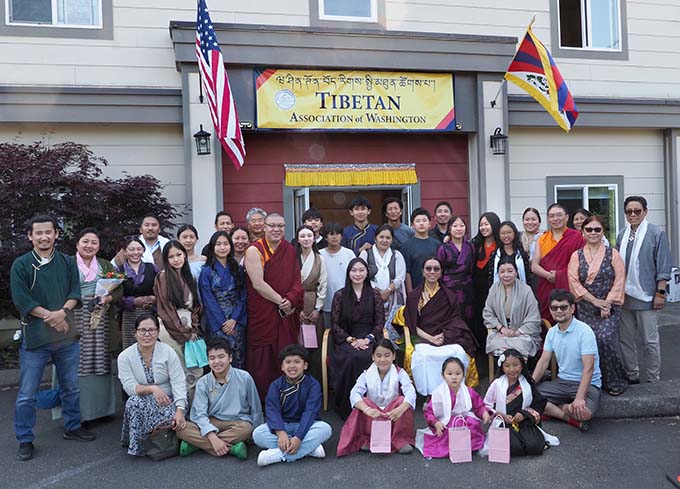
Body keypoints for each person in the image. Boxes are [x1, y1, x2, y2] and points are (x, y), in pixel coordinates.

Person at [11, 215, 94, 461]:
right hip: (36, 338)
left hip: (66, 336)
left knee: (71, 386)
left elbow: (74, 292)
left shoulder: (68, 262)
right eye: (39, 233)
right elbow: (22, 300)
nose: (44, 237)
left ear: (56, 234)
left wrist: (63, 313)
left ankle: (72, 426)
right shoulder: (22, 264)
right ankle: (25, 439)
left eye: (49, 232)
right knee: (27, 392)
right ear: (30, 236)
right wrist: (52, 317)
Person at [245, 212, 304, 399]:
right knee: (263, 360)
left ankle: (289, 398)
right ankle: (263, 400)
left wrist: (291, 300)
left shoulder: (289, 249)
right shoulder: (255, 250)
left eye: (281, 226)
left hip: (286, 313)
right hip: (264, 312)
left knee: (286, 353)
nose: (276, 229)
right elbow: (258, 284)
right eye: (272, 226)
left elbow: (297, 280)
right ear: (264, 227)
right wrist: (282, 302)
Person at [568, 215, 628, 395]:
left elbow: (620, 279)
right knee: (587, 344)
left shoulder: (613, 254)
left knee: (605, 339)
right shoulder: (576, 255)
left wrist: (607, 303)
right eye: (589, 230)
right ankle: (592, 383)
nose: (593, 233)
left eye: (597, 229)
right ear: (583, 232)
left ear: (603, 232)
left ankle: (615, 381)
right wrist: (595, 302)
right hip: (586, 307)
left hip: (609, 307)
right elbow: (573, 281)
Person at [615, 196, 672, 384]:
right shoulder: (621, 235)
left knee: (650, 342)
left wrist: (660, 293)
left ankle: (653, 379)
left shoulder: (656, 233)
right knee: (625, 340)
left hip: (647, 296)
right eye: (629, 211)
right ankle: (632, 375)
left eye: (637, 211)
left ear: (645, 212)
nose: (633, 214)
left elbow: (663, 266)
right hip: (624, 298)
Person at [177, 337, 263, 459]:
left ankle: (197, 445)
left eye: (221, 356)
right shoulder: (203, 382)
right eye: (212, 358)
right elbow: (199, 414)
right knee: (182, 429)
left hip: (236, 422)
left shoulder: (245, 377)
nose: (217, 361)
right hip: (212, 421)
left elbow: (255, 407)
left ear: (230, 358)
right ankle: (232, 448)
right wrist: (212, 436)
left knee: (246, 429)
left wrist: (255, 433)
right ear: (208, 360)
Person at [405, 257, 477, 395]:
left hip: (446, 337)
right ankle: (431, 394)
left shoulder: (449, 295)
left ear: (441, 272)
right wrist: (431, 339)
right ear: (422, 272)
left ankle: (455, 392)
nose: (432, 272)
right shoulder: (414, 296)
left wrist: (444, 335)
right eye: (428, 269)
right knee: (424, 357)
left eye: (436, 269)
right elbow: (412, 324)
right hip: (423, 339)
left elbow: (456, 320)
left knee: (459, 352)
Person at [117, 314, 187, 456]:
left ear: (158, 332)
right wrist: (152, 388)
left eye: (152, 330)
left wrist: (180, 409)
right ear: (135, 333)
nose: (147, 334)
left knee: (175, 418)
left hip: (169, 399)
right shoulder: (125, 357)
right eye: (142, 330)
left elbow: (178, 381)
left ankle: (163, 442)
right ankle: (140, 445)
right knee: (133, 402)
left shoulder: (168, 352)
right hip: (143, 399)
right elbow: (130, 387)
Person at [532, 289, 602, 431]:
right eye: (554, 308)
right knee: (528, 398)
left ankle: (558, 408)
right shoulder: (552, 332)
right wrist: (530, 385)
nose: (559, 311)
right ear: (550, 310)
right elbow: (543, 361)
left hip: (587, 384)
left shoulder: (585, 331)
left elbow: (589, 369)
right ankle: (567, 416)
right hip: (562, 382)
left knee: (584, 414)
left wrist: (580, 398)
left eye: (563, 307)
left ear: (572, 308)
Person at [252, 344, 332, 466]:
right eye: (288, 362)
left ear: (305, 365)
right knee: (257, 434)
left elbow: (310, 412)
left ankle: (279, 455)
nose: (292, 366)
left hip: (305, 426)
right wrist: (280, 432)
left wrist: (299, 437)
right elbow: (272, 410)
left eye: (297, 362)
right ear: (282, 367)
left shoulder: (313, 385)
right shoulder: (276, 385)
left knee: (325, 429)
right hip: (283, 425)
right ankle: (310, 449)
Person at [72, 228, 121, 421]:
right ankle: (78, 414)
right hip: (75, 317)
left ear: (99, 246)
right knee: (76, 364)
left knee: (101, 363)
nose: (89, 246)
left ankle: (103, 410)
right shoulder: (67, 264)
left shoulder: (105, 264)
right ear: (77, 244)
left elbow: (119, 288)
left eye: (94, 242)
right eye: (85, 241)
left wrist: (108, 297)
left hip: (100, 320)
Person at [337, 339, 416, 456]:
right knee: (362, 402)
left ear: (393, 356)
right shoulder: (366, 374)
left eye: (387, 355)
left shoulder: (400, 372)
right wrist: (367, 409)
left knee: (402, 401)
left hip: (393, 413)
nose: (383, 359)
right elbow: (355, 393)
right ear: (373, 357)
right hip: (373, 413)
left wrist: (400, 409)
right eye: (378, 356)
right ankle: (368, 438)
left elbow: (410, 391)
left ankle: (398, 440)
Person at [330, 257, 385, 419]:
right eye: (354, 270)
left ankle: (374, 404)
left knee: (369, 355)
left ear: (367, 272)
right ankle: (349, 406)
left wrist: (368, 339)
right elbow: (335, 325)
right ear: (348, 273)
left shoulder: (375, 294)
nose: (358, 274)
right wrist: (352, 340)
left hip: (369, 338)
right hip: (346, 339)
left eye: (361, 270)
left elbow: (379, 322)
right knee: (353, 357)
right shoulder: (340, 295)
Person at [483, 349, 556, 456]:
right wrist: (500, 415)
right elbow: (486, 405)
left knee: (535, 446)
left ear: (522, 365)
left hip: (524, 422)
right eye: (507, 366)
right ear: (502, 368)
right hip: (504, 423)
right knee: (514, 447)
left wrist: (524, 414)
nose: (512, 369)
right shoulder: (496, 384)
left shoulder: (527, 383)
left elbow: (539, 403)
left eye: (515, 365)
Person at [415, 357, 490, 458]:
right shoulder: (438, 393)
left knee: (473, 424)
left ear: (463, 375)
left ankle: (471, 446)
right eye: (449, 374)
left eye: (458, 374)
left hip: (464, 419)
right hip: (445, 422)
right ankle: (456, 448)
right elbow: (429, 412)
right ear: (443, 375)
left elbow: (478, 405)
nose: (454, 377)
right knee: (451, 430)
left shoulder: (468, 391)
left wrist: (484, 413)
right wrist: (436, 423)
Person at [154, 240, 203, 389]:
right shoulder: (163, 277)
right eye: (171, 257)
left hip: (189, 327)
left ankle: (193, 406)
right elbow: (165, 307)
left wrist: (194, 328)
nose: (176, 259)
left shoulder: (190, 277)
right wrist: (182, 331)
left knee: (195, 369)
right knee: (176, 367)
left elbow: (196, 307)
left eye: (179, 255)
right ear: (166, 260)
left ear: (184, 255)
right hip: (170, 327)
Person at [199, 231, 247, 368]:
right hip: (216, 322)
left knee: (238, 358)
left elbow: (242, 296)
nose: (222, 247)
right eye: (218, 244)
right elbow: (208, 300)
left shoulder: (238, 269)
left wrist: (234, 319)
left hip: (235, 321)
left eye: (226, 244)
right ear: (213, 247)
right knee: (219, 358)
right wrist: (222, 323)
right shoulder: (207, 271)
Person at [532, 203, 585, 322]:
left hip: (569, 287)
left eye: (559, 215)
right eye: (551, 216)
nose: (555, 219)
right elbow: (534, 265)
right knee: (547, 321)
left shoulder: (577, 237)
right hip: (546, 287)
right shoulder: (542, 239)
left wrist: (559, 275)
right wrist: (549, 275)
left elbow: (581, 264)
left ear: (567, 217)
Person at [484, 256, 542, 359]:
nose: (506, 275)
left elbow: (533, 318)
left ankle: (520, 374)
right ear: (498, 273)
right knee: (496, 347)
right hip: (500, 332)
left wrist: (517, 332)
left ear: (516, 272)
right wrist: (501, 328)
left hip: (522, 333)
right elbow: (488, 313)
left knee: (519, 347)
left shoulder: (526, 290)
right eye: (502, 272)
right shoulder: (494, 289)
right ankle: (501, 374)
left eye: (510, 271)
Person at [295, 225, 327, 381]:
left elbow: (323, 284)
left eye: (309, 235)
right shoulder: (293, 257)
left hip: (313, 302)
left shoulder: (320, 258)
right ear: (298, 239)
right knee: (296, 342)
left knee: (314, 345)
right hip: (295, 304)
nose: (306, 239)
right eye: (302, 236)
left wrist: (317, 308)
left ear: (314, 238)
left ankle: (314, 380)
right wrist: (296, 308)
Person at [116, 236, 158, 350]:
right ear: (124, 252)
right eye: (131, 249)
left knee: (150, 346)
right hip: (129, 315)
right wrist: (133, 301)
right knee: (130, 348)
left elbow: (162, 290)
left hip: (150, 313)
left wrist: (154, 299)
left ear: (143, 251)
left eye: (139, 249)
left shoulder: (152, 268)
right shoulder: (118, 271)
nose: (136, 252)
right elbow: (115, 296)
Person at [359, 224, 406, 316]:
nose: (384, 240)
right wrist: (376, 293)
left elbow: (400, 278)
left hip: (392, 299)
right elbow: (360, 275)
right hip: (369, 297)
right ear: (375, 238)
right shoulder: (366, 254)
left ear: (392, 240)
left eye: (388, 238)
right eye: (381, 237)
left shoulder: (397, 255)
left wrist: (387, 291)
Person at [470, 212, 502, 350]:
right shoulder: (475, 244)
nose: (483, 227)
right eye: (481, 225)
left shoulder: (501, 245)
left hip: (494, 290)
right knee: (477, 319)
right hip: (476, 291)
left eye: (486, 224)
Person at [436, 215, 475, 327]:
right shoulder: (443, 248)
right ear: (449, 229)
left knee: (468, 320)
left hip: (467, 289)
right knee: (451, 320)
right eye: (455, 226)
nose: (459, 229)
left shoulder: (470, 246)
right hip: (449, 290)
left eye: (462, 226)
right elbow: (439, 270)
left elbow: (471, 268)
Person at [319, 222, 357, 328]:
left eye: (338, 234)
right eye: (331, 234)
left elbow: (356, 277)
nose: (335, 237)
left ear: (341, 236)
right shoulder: (319, 255)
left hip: (347, 302)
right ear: (326, 237)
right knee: (329, 333)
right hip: (327, 302)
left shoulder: (349, 254)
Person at [400, 208, 441, 292]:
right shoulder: (406, 246)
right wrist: (410, 292)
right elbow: (407, 272)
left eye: (424, 220)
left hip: (436, 289)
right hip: (416, 289)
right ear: (412, 225)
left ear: (430, 224)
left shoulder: (437, 244)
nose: (421, 223)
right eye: (418, 221)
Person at [490, 220, 532, 285]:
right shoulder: (495, 255)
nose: (506, 235)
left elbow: (527, 276)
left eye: (509, 232)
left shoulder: (522, 254)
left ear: (514, 233)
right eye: (503, 233)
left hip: (520, 290)